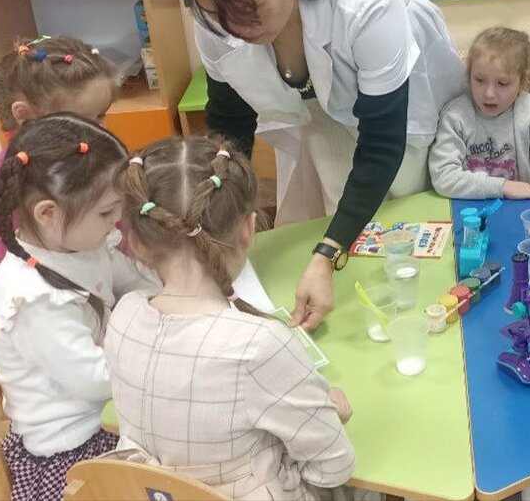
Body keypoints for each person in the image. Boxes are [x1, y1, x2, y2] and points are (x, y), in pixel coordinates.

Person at [166, 0, 465, 329]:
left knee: (404, 200)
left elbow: (382, 144)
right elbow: (230, 122)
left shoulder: (366, 0)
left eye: (248, 8)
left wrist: (326, 255)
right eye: (215, 12)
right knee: (331, 192)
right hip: (313, 98)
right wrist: (221, 212)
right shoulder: (218, 19)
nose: (234, 28)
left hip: (397, 101)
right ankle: (339, 278)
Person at [104, 137, 355, 500]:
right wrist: (325, 417)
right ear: (248, 230)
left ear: (137, 243)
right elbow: (333, 466)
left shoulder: (123, 316)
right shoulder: (259, 346)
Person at [0, 114, 159, 501]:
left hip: (106, 412)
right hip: (73, 451)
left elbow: (137, 280)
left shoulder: (79, 243)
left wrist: (161, 301)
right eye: (105, 213)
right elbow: (96, 380)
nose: (117, 221)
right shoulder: (35, 299)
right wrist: (149, 340)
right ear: (48, 213)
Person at [0, 36, 119, 264]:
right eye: (81, 119)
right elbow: (30, 276)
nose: (98, 129)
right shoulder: (9, 198)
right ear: (24, 115)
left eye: (101, 114)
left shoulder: (79, 150)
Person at [429, 26, 530, 199]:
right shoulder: (455, 117)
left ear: (522, 82)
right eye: (480, 80)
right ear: (469, 75)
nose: (489, 93)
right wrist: (502, 187)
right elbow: (443, 176)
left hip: (524, 209)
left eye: (502, 83)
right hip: (467, 209)